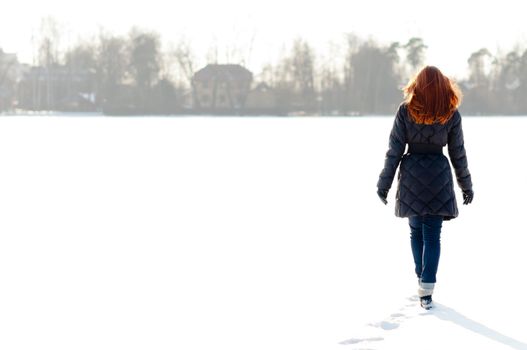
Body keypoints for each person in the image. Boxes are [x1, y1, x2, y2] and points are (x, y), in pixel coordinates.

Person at [376, 66, 474, 310]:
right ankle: (427, 288)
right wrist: (466, 185)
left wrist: (384, 184)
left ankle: (421, 278)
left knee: (416, 233)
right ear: (444, 86)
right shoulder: (451, 113)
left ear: (417, 85)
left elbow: (394, 150)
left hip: (411, 175)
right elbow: (458, 153)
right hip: (439, 176)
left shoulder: (405, 111)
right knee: (432, 235)